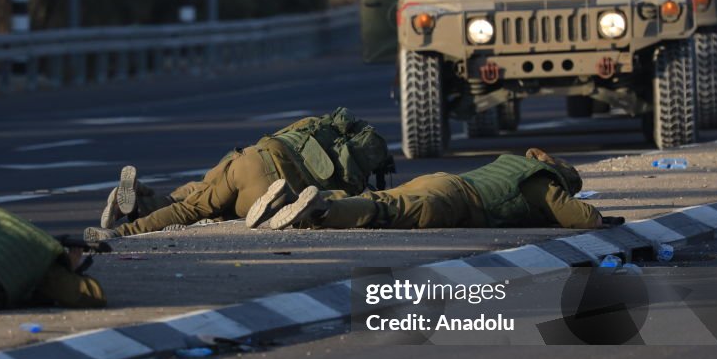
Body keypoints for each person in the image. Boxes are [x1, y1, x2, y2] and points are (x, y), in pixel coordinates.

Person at [87, 108, 395, 240]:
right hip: (273, 192)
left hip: (253, 160)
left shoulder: (319, 125)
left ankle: (133, 212)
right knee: (214, 210)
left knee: (197, 200)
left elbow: (276, 137)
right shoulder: (353, 177)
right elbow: (337, 203)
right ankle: (133, 214)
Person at [258, 148, 622, 231]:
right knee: (385, 211)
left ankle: (293, 201)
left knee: (378, 198)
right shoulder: (544, 184)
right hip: (453, 200)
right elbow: (583, 219)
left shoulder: (514, 163)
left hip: (440, 180)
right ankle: (322, 210)